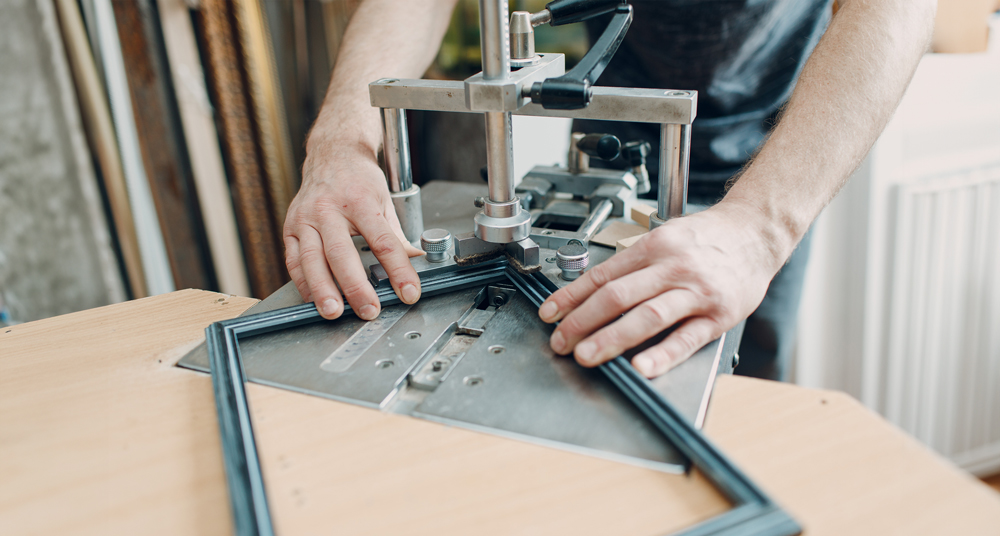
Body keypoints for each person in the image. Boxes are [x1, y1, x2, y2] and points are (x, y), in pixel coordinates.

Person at [283, 0, 936, 381]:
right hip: (616, 122)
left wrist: (762, 228)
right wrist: (341, 141)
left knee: (736, 382)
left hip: (776, 152)